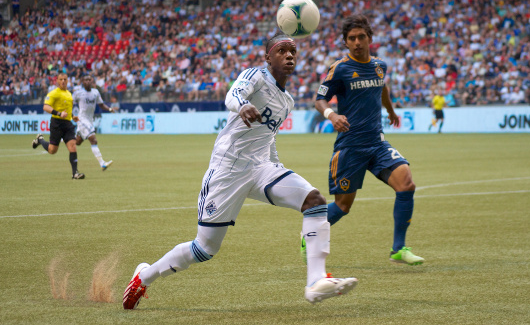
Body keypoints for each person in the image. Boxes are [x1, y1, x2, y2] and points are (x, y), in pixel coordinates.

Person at [122, 32, 358, 310]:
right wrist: (243, 104)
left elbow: (268, 138)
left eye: (293, 51)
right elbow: (233, 94)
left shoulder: (288, 102)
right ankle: (144, 277)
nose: (289, 55)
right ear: (268, 57)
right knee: (204, 249)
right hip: (228, 169)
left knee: (315, 202)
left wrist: (276, 166)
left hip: (261, 169)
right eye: (282, 51)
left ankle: (316, 281)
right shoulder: (255, 76)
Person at [311, 14, 424, 265]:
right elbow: (319, 99)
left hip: (377, 143)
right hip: (350, 146)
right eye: (351, 38)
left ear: (370, 38)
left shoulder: (379, 65)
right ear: (346, 43)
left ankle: (398, 249)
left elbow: (382, 87)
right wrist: (332, 115)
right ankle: (310, 230)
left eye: (361, 36)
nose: (357, 42)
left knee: (406, 184)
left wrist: (391, 110)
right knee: (342, 207)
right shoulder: (339, 68)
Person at [32, 73, 85, 179]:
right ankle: (40, 140)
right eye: (61, 79)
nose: (63, 81)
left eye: (65, 79)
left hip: (68, 124)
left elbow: (66, 110)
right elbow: (45, 107)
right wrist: (59, 113)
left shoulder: (69, 94)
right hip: (57, 123)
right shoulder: (54, 93)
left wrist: (72, 116)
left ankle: (75, 173)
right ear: (57, 81)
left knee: (73, 147)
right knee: (52, 150)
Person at [72, 75, 114, 170]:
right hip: (82, 120)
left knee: (77, 142)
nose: (87, 81)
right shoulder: (78, 93)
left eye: (89, 80)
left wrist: (110, 109)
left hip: (90, 120)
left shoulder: (95, 92)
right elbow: (69, 103)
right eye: (85, 80)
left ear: (91, 81)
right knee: (93, 140)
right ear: (82, 82)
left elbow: (101, 105)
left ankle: (62, 139)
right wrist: (71, 115)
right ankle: (102, 163)